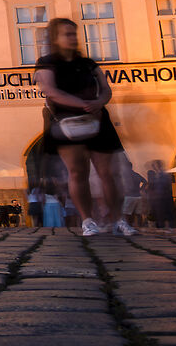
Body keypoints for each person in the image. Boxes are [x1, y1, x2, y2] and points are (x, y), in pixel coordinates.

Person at [37, 15, 130, 237]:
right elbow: (50, 90)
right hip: (68, 121)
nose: (73, 38)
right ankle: (88, 220)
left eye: (74, 34)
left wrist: (99, 102)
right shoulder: (47, 63)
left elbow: (106, 88)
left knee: (108, 173)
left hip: (97, 118)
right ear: (55, 38)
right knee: (78, 172)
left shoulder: (88, 63)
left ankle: (118, 219)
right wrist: (82, 104)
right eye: (67, 34)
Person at [144, 156, 174, 228]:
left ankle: (167, 229)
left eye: (154, 165)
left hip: (162, 198)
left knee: (163, 216)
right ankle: (164, 229)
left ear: (158, 165)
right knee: (161, 216)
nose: (153, 167)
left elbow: (164, 187)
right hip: (160, 198)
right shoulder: (160, 175)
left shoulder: (163, 175)